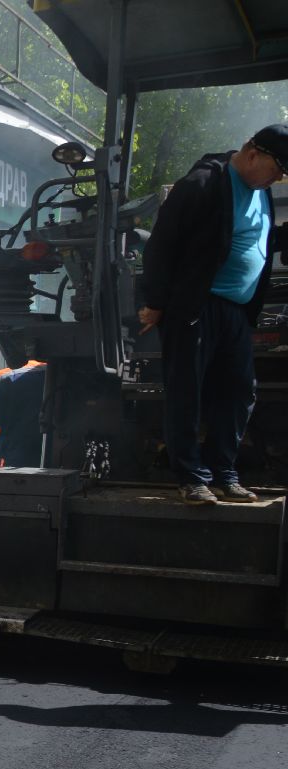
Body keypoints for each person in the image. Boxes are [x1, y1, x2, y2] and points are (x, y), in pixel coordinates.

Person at [138, 124, 288, 505]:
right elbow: (161, 244)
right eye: (277, 169)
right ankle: (191, 477)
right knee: (187, 390)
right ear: (253, 154)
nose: (278, 179)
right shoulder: (203, 183)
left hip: (236, 311)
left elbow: (259, 239)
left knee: (238, 391)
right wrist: (155, 301)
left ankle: (224, 473)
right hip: (195, 305)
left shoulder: (261, 192)